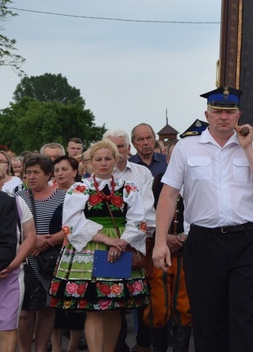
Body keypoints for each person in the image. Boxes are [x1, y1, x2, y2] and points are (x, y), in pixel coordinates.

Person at [152, 86, 253, 352]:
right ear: (207, 114)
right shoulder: (187, 148)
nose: (224, 116)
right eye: (218, 111)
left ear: (238, 115)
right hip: (204, 241)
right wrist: (160, 241)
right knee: (208, 318)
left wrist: (247, 149)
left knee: (245, 317)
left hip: (246, 240)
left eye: (229, 111)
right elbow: (168, 195)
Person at [50, 139, 149, 352]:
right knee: (94, 309)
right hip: (90, 248)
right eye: (98, 159)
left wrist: (120, 242)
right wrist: (107, 240)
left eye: (108, 158)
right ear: (90, 163)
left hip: (119, 249)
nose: (103, 163)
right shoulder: (79, 188)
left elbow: (138, 221)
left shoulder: (128, 189)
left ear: (116, 160)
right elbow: (72, 221)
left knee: (114, 307)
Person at [104, 129, 155, 352]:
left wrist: (133, 235)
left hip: (140, 241)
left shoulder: (143, 173)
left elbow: (148, 209)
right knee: (116, 296)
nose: (118, 151)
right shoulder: (102, 174)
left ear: (129, 148)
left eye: (121, 146)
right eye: (113, 147)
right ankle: (119, 346)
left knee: (144, 294)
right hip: (111, 244)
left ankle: (143, 344)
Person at [144, 139, 192, 352]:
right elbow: (143, 214)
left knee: (184, 306)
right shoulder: (155, 182)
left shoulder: (197, 180)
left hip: (189, 252)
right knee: (158, 305)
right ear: (167, 158)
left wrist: (182, 237)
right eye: (174, 157)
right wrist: (162, 237)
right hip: (160, 252)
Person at [17, 155, 66, 352]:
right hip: (26, 262)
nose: (31, 177)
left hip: (51, 261)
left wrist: (49, 240)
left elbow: (73, 226)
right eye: (28, 173)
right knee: (25, 312)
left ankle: (40, 349)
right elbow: (10, 228)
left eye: (36, 172)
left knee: (47, 308)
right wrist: (31, 240)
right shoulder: (18, 198)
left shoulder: (64, 196)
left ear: (48, 174)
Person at [49, 157, 86, 352]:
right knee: (55, 305)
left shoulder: (83, 192)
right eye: (56, 170)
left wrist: (51, 239)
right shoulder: (52, 194)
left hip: (76, 253)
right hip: (53, 255)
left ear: (75, 171)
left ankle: (72, 346)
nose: (60, 173)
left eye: (64, 169)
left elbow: (76, 225)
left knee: (75, 304)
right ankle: (56, 347)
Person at [0, 189, 36, 352]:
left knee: (7, 325)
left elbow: (30, 236)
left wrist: (14, 263)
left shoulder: (15, 202)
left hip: (10, 274)